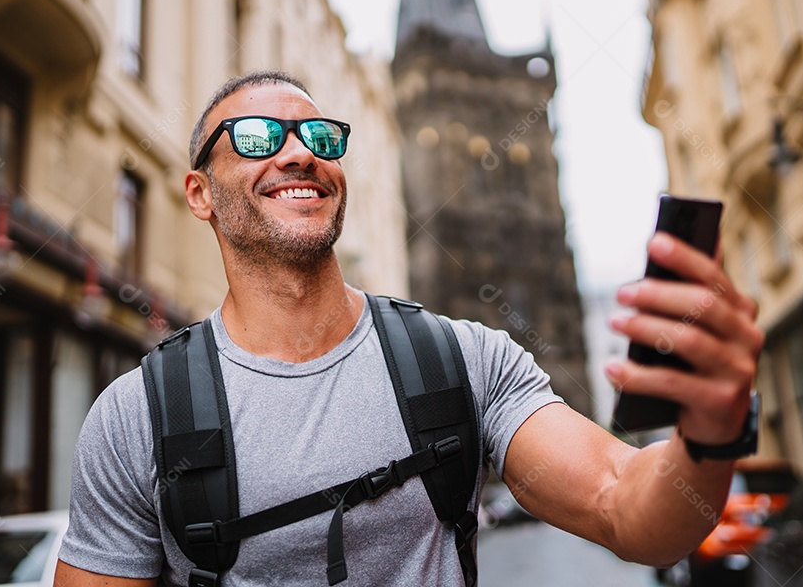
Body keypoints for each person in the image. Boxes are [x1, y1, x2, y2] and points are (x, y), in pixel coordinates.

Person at [55, 70, 762, 586]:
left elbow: (626, 509)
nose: (299, 152)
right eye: (258, 136)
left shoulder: (462, 360)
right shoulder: (137, 416)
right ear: (200, 193)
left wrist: (712, 432)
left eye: (319, 136)